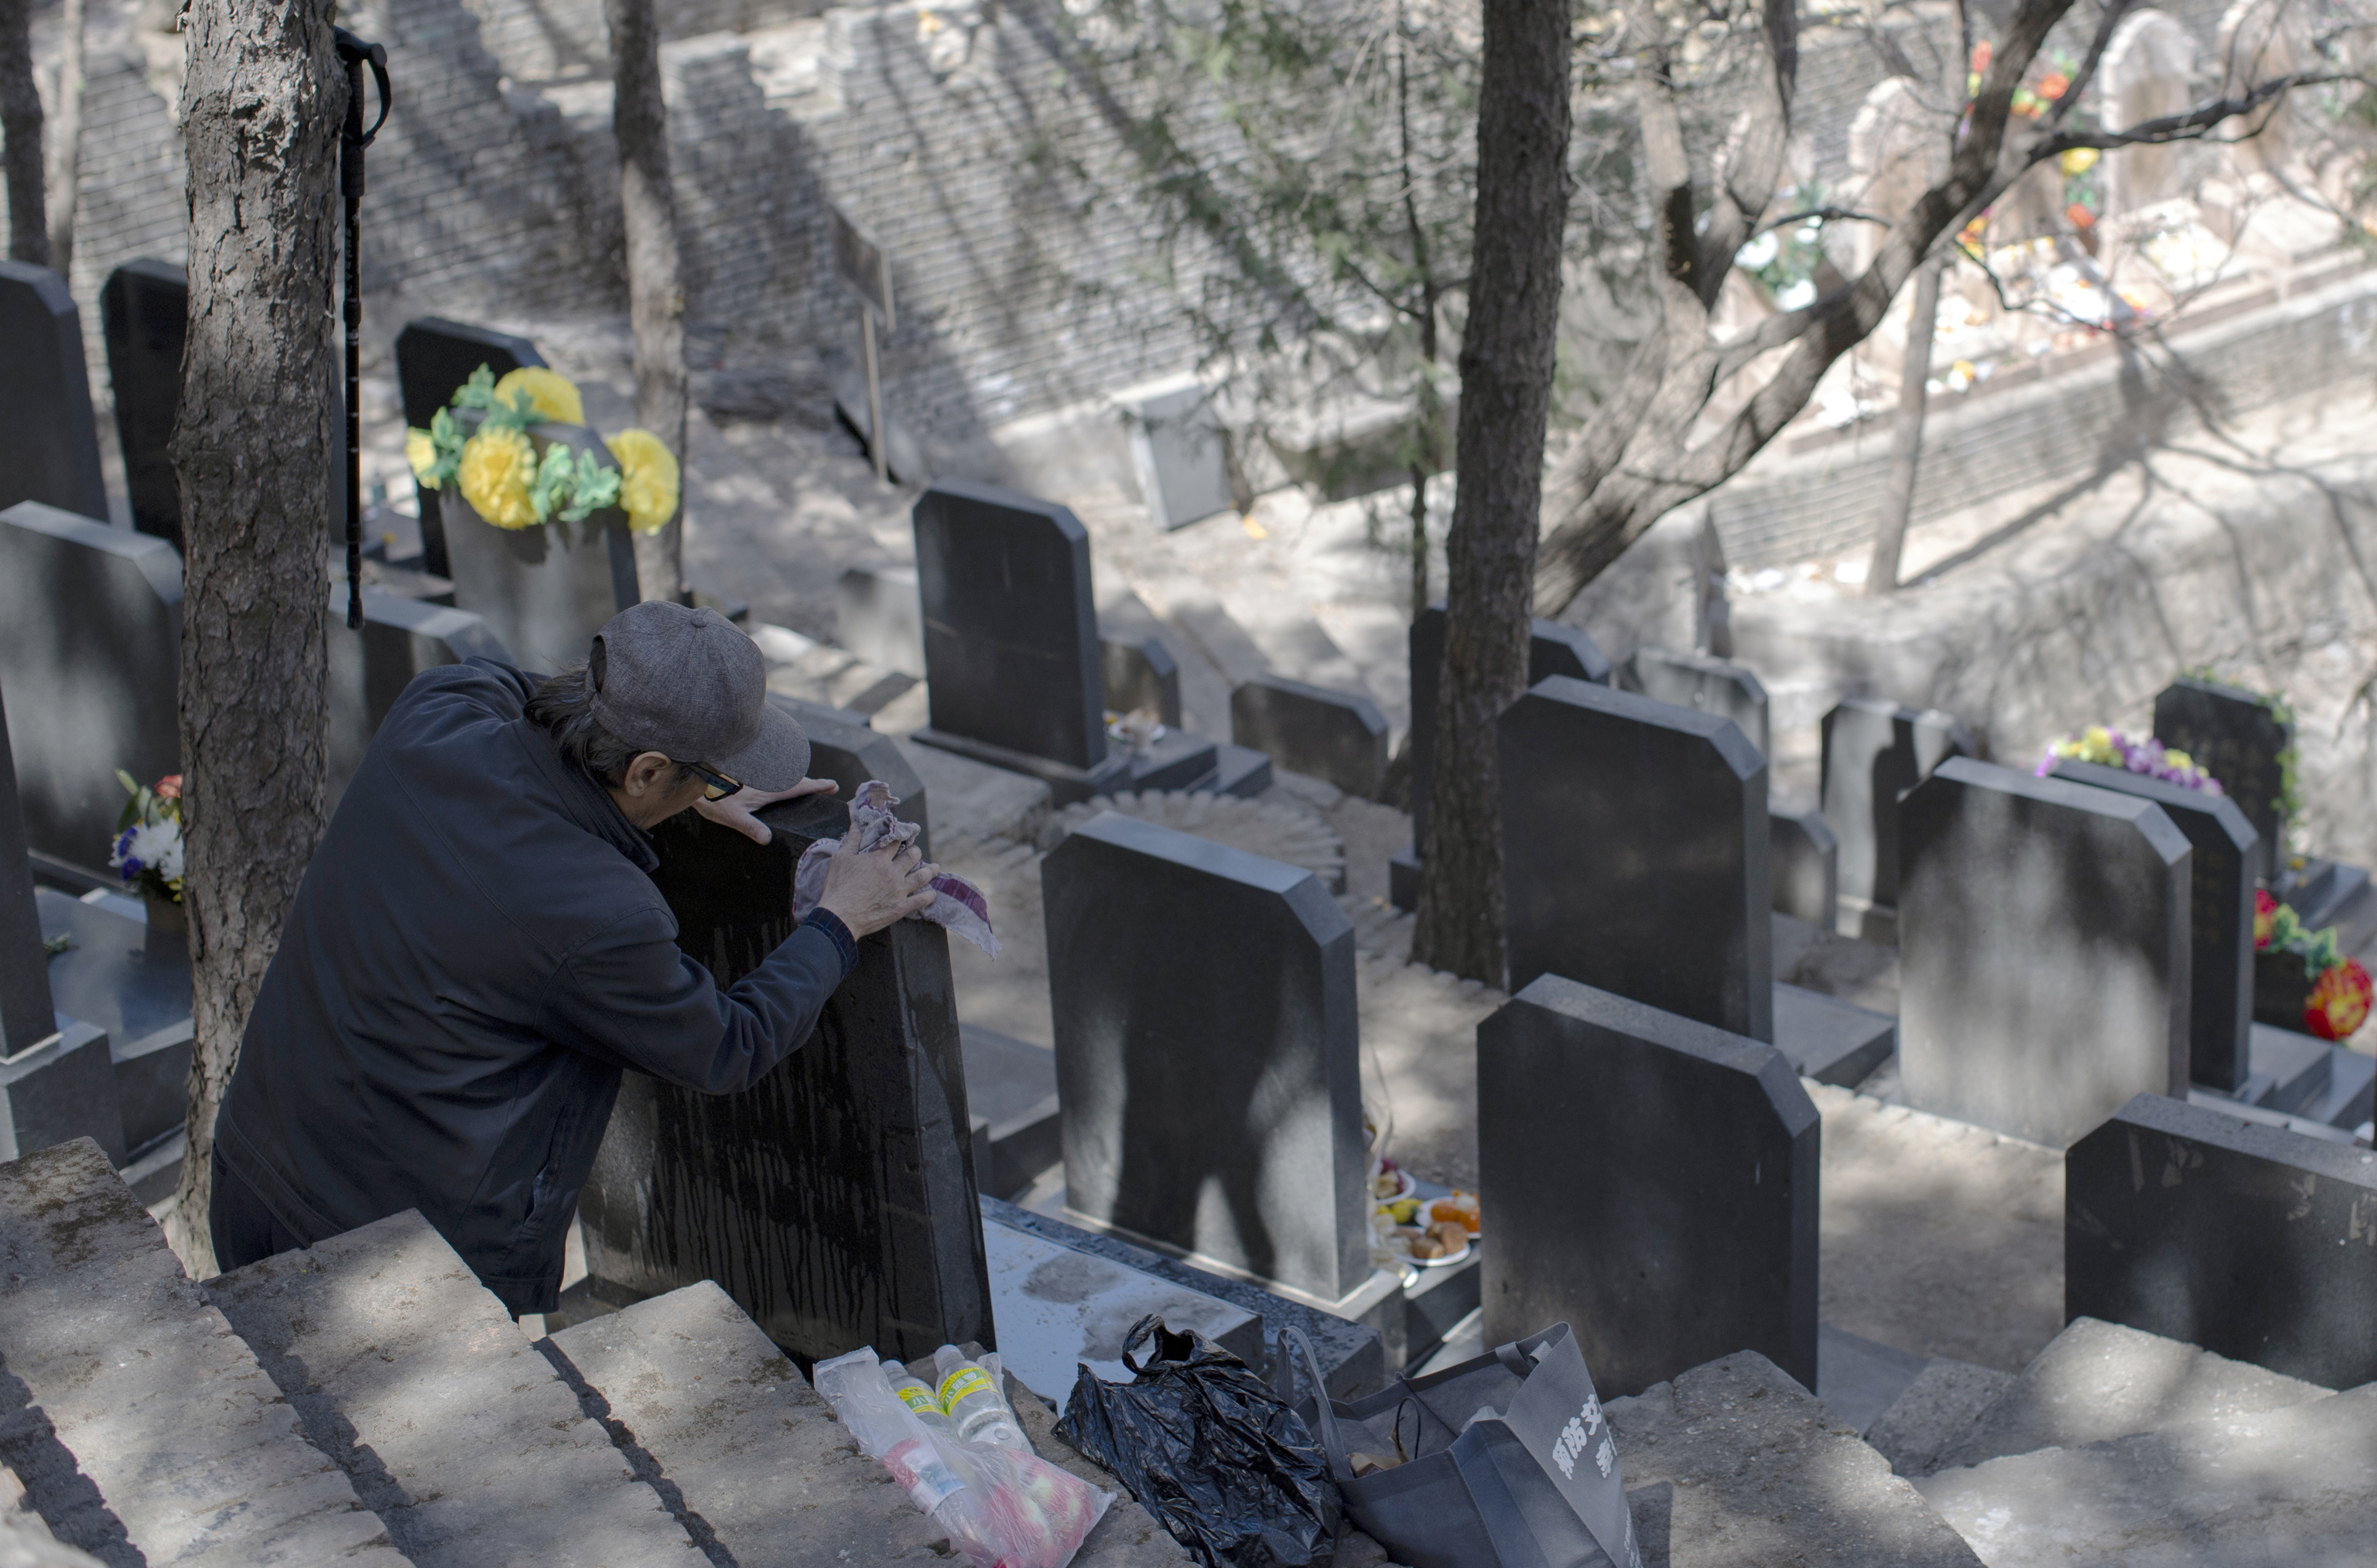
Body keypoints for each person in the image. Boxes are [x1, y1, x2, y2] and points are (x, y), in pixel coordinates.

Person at [210, 602, 937, 1313]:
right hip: (386, 1273)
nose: (713, 791)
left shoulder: (438, 708)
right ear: (645, 773)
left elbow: (523, 688)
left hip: (253, 1173)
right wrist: (840, 920)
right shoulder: (600, 913)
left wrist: (687, 785)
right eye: (714, 776)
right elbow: (728, 1044)